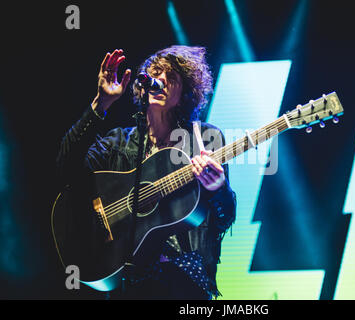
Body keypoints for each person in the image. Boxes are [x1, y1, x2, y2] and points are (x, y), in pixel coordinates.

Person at [56, 46, 236, 299]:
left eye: (171, 77)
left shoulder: (205, 139)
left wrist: (219, 190)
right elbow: (66, 168)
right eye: (155, 73)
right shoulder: (118, 142)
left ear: (186, 92)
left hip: (185, 282)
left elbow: (224, 218)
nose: (160, 80)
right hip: (128, 280)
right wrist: (101, 104)